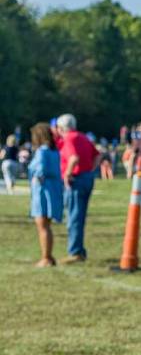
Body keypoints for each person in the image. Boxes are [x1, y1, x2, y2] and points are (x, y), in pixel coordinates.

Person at [56, 113, 99, 264]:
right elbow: (97, 155)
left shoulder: (68, 138)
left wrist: (68, 174)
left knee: (74, 216)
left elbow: (74, 158)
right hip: (87, 177)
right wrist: (90, 170)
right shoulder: (83, 137)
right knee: (79, 216)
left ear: (61, 128)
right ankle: (79, 250)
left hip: (76, 179)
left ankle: (75, 252)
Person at [27, 123, 63, 267]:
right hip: (53, 189)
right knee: (46, 225)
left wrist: (37, 178)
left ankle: (46, 257)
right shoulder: (54, 151)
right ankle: (49, 256)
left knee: (42, 226)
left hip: (43, 191)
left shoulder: (42, 151)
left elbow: (40, 170)